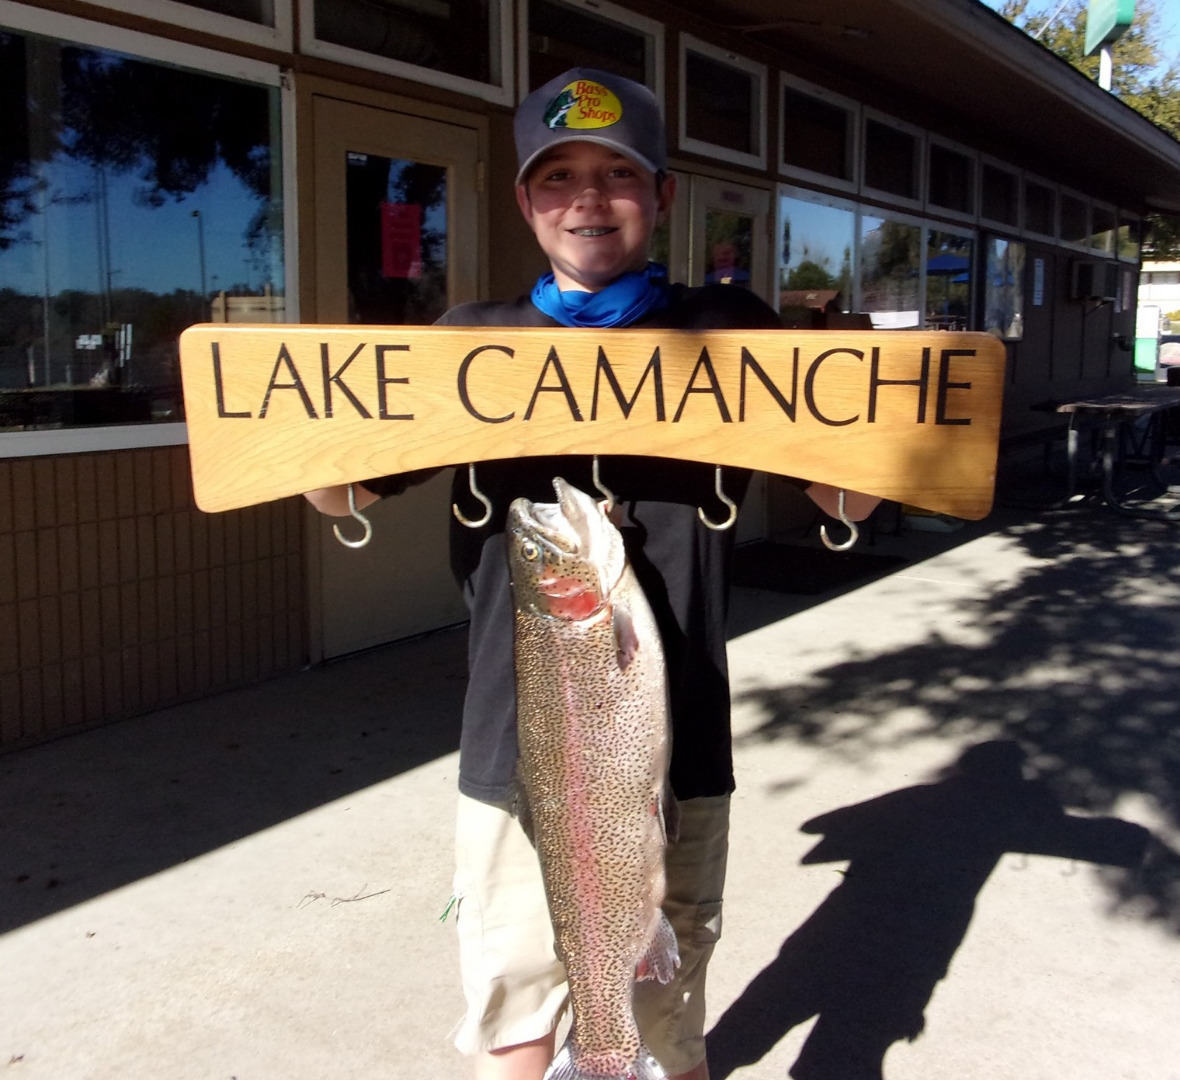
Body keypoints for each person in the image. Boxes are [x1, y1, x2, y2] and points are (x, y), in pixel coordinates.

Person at [305, 68, 879, 1080]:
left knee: (667, 1017)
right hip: (515, 745)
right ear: (526, 201)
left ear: (660, 196)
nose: (586, 198)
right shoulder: (468, 343)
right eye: (557, 175)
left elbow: (849, 500)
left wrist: (876, 428)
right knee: (513, 1019)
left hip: (679, 746)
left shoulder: (733, 331)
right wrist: (290, 440)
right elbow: (340, 492)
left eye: (616, 174)